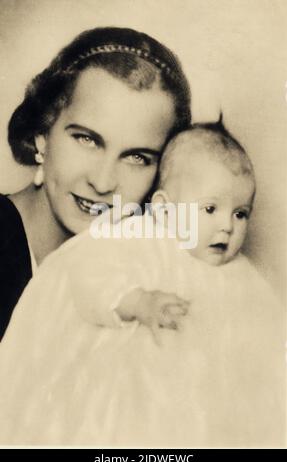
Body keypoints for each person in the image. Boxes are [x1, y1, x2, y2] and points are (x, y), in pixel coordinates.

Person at [0, 120, 284, 447]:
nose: (227, 226)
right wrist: (138, 302)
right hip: (133, 392)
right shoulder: (140, 239)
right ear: (164, 209)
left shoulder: (240, 273)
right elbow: (92, 277)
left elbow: (264, 330)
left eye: (241, 213)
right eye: (210, 208)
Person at [0, 26, 191, 339]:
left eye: (137, 158)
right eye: (86, 139)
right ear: (42, 133)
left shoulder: (134, 279)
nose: (103, 183)